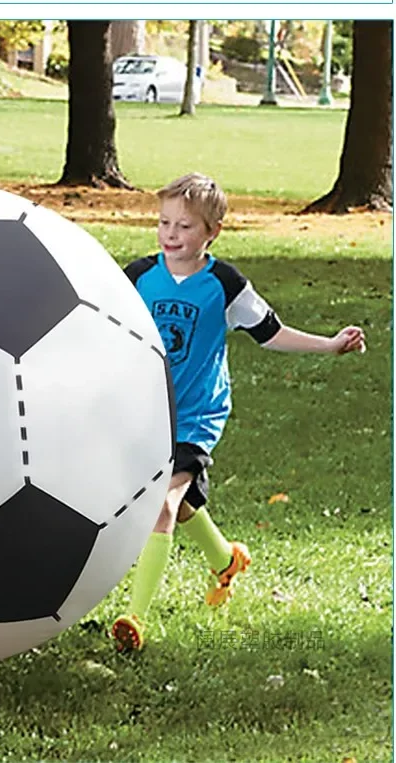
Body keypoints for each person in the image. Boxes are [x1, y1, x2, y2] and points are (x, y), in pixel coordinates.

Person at [111, 172, 366, 652]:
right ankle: (226, 560)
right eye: (164, 222)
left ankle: (134, 618)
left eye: (185, 227)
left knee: (161, 506)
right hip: (147, 414)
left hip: (196, 416)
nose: (170, 234)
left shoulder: (224, 284)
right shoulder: (138, 275)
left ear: (212, 232)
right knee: (183, 505)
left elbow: (272, 332)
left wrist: (330, 346)